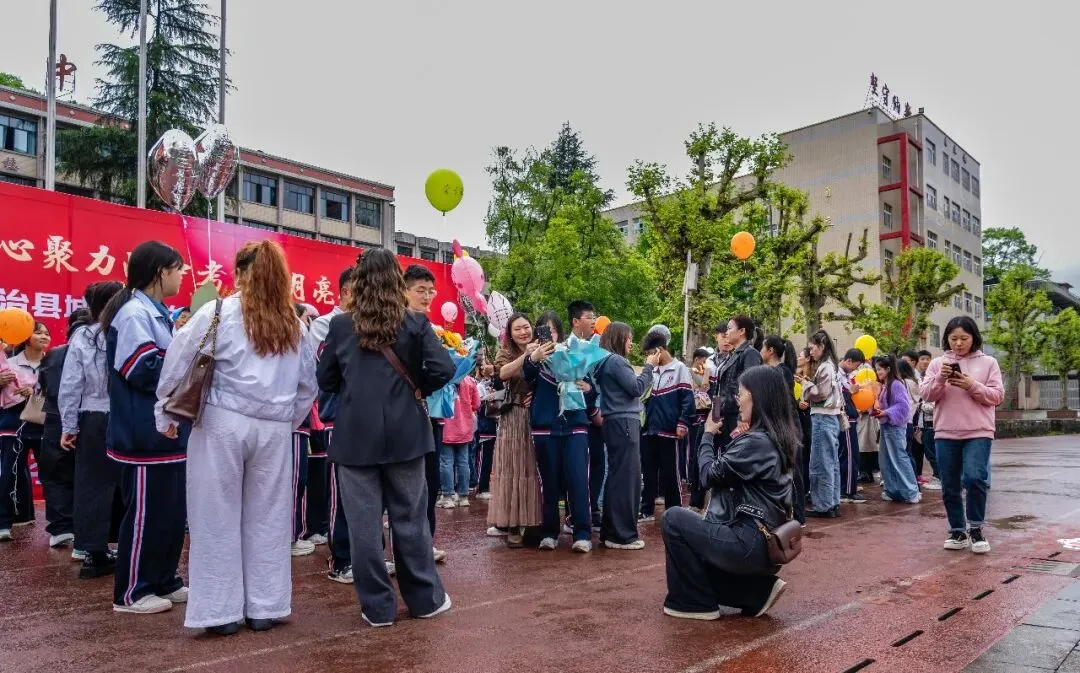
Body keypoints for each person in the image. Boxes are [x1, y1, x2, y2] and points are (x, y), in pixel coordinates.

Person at [156, 240, 318, 635]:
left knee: (215, 515)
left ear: (241, 272)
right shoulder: (294, 324)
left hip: (223, 421)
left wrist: (165, 407)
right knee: (270, 518)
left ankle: (220, 612)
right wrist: (285, 419)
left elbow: (180, 358)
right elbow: (307, 387)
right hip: (275, 429)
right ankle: (265, 605)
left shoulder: (219, 311)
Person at [317, 248, 455, 627]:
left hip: (354, 437)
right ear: (397, 279)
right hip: (407, 433)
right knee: (410, 520)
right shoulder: (414, 322)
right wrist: (416, 389)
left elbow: (325, 380)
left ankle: (377, 608)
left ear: (358, 282)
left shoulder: (341, 325)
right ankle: (425, 600)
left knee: (363, 527)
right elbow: (444, 368)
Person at [660, 365, 795, 620]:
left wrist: (708, 436)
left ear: (757, 397)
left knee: (673, 519)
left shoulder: (756, 441)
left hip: (748, 541)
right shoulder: (776, 437)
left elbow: (708, 475)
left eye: (741, 394)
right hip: (764, 541)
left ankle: (696, 602)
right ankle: (754, 592)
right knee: (694, 558)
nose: (737, 401)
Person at [101, 240, 189, 614]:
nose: (183, 275)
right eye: (178, 269)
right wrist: (188, 361)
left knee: (170, 513)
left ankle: (164, 579)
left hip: (167, 433)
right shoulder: (134, 314)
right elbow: (142, 369)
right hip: (143, 433)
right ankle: (131, 591)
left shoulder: (159, 312)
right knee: (145, 514)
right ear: (160, 272)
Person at [920, 317, 1004, 554]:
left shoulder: (989, 363)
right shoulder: (938, 364)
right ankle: (957, 530)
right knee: (949, 484)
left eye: (964, 338)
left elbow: (997, 396)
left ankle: (976, 528)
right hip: (946, 431)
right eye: (953, 338)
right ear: (946, 338)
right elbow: (927, 394)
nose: (958, 343)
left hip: (979, 431)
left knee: (975, 477)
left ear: (974, 337)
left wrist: (971, 385)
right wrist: (940, 379)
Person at [60, 281, 125, 576]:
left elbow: (71, 384)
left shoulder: (84, 335)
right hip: (126, 416)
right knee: (129, 483)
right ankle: (127, 544)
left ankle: (92, 551)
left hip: (93, 417)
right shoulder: (129, 330)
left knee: (91, 485)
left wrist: (69, 425)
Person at [523, 311, 594, 552]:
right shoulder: (534, 356)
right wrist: (533, 357)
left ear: (559, 333)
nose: (548, 335)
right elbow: (525, 377)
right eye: (542, 330)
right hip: (544, 425)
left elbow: (592, 384)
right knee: (549, 482)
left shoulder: (575, 351)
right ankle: (549, 532)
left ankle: (582, 533)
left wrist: (588, 387)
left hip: (575, 424)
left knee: (577, 479)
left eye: (551, 330)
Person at [303, 266, 355, 574]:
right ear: (347, 291)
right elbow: (324, 371)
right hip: (340, 416)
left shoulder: (370, 323)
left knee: (369, 492)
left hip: (370, 417)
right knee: (342, 490)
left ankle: (369, 555)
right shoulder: (326, 324)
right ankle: (342, 559)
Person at [593, 322, 658, 550]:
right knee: (627, 479)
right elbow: (636, 388)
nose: (631, 342)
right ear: (619, 338)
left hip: (615, 422)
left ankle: (612, 531)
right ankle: (624, 534)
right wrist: (649, 367)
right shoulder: (616, 361)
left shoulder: (605, 362)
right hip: (624, 422)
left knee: (617, 477)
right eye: (629, 338)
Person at [487, 313, 544, 548]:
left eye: (526, 327)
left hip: (537, 414)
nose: (523, 332)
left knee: (533, 467)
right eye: (518, 329)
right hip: (513, 415)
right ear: (509, 334)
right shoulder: (505, 352)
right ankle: (512, 525)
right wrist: (528, 357)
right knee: (513, 468)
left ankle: (533, 522)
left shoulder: (544, 347)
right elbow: (502, 374)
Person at [403, 264, 447, 561]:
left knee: (429, 483)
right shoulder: (401, 325)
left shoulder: (426, 325)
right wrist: (422, 384)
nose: (428, 297)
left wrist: (424, 387)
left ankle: (424, 542)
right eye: (421, 291)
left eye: (431, 291)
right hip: (404, 416)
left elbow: (444, 368)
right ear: (403, 290)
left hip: (428, 415)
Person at [39, 310, 91, 550]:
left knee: (55, 474)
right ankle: (84, 529)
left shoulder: (53, 355)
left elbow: (44, 384)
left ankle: (60, 527)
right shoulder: (95, 352)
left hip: (54, 418)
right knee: (86, 474)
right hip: (88, 417)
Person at [0, 321, 52, 541]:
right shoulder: (7, 363)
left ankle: (59, 526)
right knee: (9, 475)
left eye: (47, 333)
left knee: (51, 476)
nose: (44, 336)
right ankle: (3, 523)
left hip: (44, 425)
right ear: (24, 337)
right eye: (38, 332)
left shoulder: (53, 364)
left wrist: (36, 390)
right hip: (13, 423)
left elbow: (63, 392)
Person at [639, 328, 693, 523]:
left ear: (660, 350)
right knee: (649, 472)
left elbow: (688, 400)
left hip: (670, 431)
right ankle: (646, 509)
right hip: (649, 430)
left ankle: (675, 510)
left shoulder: (680, 369)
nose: (649, 357)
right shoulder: (650, 371)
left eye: (650, 353)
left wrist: (682, 422)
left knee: (671, 473)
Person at [568, 300, 605, 531]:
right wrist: (592, 407)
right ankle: (575, 515)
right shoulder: (566, 349)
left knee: (598, 464)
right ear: (575, 321)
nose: (594, 321)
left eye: (594, 316)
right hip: (576, 417)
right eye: (589, 317)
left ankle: (593, 509)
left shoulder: (598, 347)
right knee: (577, 468)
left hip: (599, 417)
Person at [761, 335, 804, 523]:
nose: (760, 351)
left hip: (788, 427)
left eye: (763, 348)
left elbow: (780, 402)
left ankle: (797, 516)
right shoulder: (777, 371)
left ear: (770, 350)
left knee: (793, 472)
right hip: (782, 426)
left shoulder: (781, 372)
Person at [801, 330, 844, 518]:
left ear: (821, 346)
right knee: (831, 462)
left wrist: (806, 385)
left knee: (820, 463)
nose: (810, 352)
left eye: (812, 348)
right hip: (831, 417)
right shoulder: (832, 365)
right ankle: (832, 502)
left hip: (822, 417)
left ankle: (823, 505)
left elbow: (821, 393)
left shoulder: (825, 367)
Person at [712, 316, 763, 452]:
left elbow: (750, 388)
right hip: (725, 416)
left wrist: (743, 418)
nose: (726, 332)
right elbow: (719, 389)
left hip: (737, 417)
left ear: (741, 331)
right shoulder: (732, 355)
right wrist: (715, 417)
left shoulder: (750, 354)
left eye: (729, 328)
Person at [872, 355, 919, 504]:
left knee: (899, 458)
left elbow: (903, 406)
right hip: (887, 426)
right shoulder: (886, 384)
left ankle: (911, 491)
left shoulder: (896, 384)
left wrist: (886, 412)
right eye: (876, 369)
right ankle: (893, 490)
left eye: (879, 369)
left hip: (896, 427)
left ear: (888, 369)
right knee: (885, 460)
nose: (877, 371)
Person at [438, 371, 480, 508]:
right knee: (463, 461)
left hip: (446, 427)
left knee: (446, 462)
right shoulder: (469, 380)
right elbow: (476, 404)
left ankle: (447, 496)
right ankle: (463, 496)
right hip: (464, 428)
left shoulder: (442, 379)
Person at [836, 349, 867, 505]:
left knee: (852, 454)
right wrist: (851, 392)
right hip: (845, 419)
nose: (856, 370)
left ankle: (848, 487)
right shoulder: (836, 375)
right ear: (848, 361)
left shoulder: (847, 375)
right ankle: (847, 490)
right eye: (856, 366)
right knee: (849, 455)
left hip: (851, 417)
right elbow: (840, 398)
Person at [687, 347, 714, 512]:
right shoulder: (692, 371)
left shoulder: (712, 367)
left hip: (710, 414)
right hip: (698, 415)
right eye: (703, 360)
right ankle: (695, 494)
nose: (704, 363)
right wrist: (707, 373)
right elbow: (703, 386)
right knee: (696, 452)